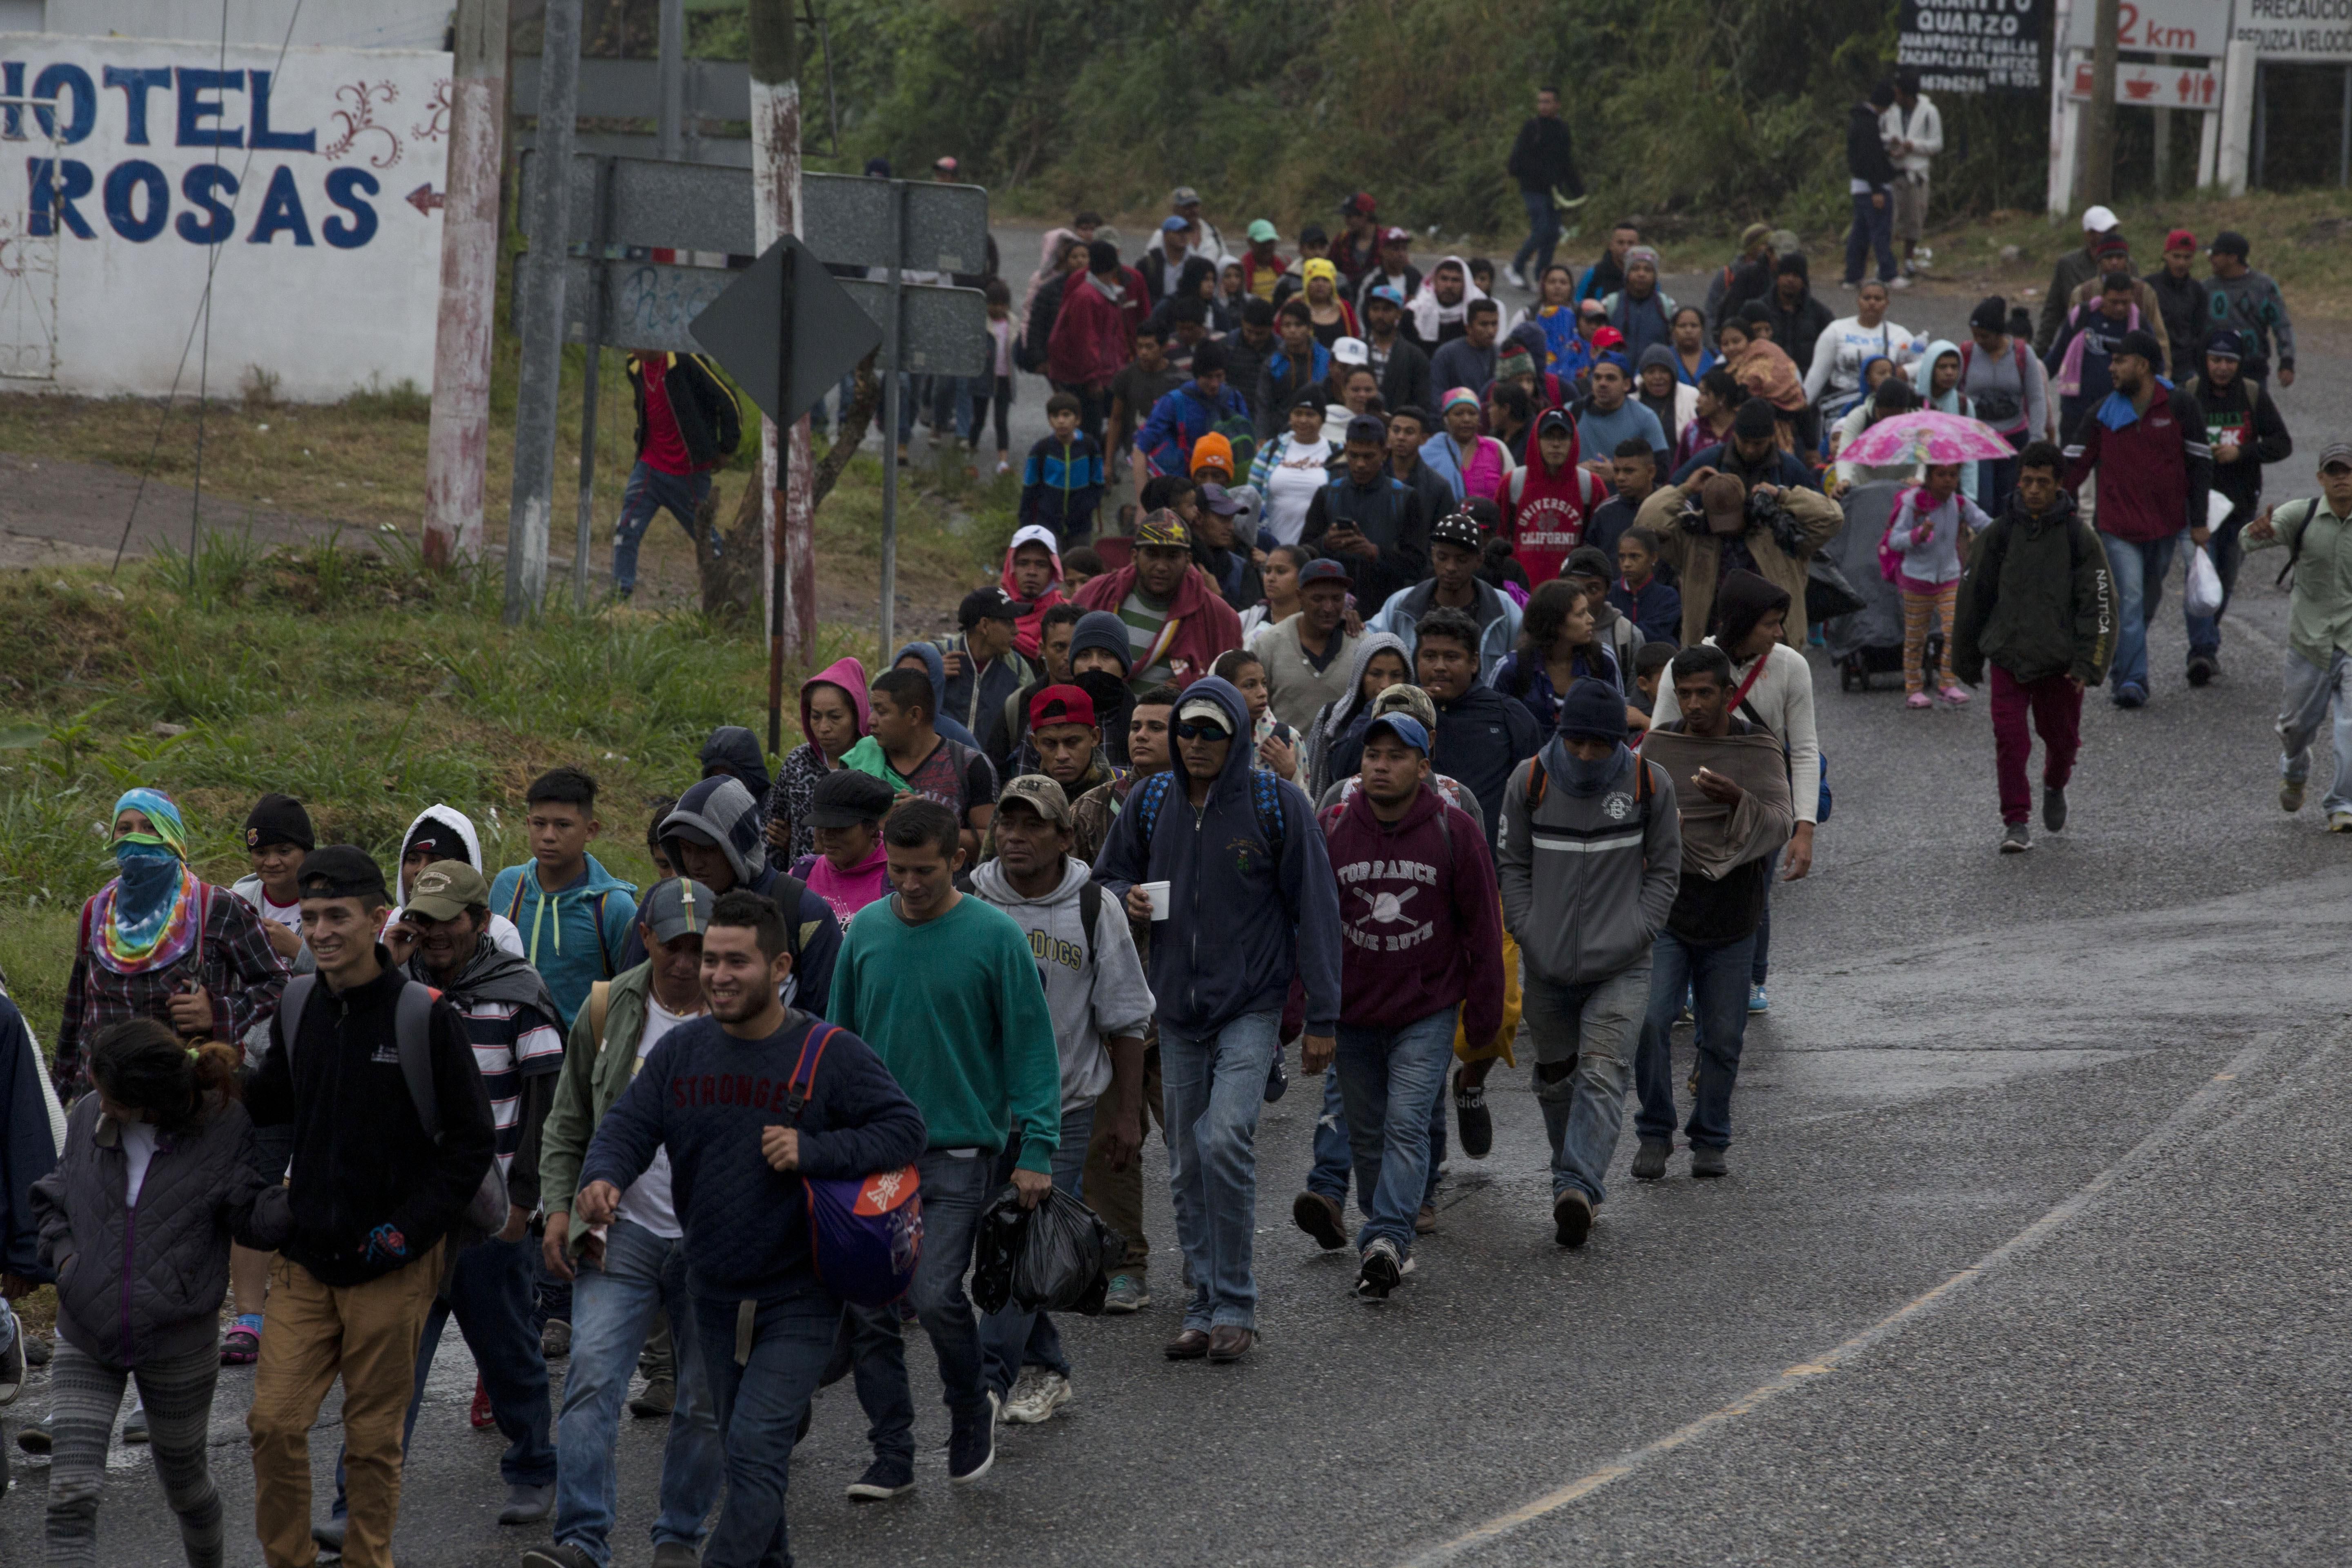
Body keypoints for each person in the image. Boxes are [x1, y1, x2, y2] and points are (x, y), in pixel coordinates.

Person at [570, 889, 924, 1561]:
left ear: (781, 966)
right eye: (710, 960)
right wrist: (603, 1177)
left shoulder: (830, 1052)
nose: (718, 976)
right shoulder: (682, 1053)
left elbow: (905, 1128)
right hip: (710, 1291)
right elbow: (629, 1124)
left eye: (738, 962)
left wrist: (814, 1151)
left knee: (756, 1450)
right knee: (745, 1463)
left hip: (799, 1296)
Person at [244, 845, 495, 1568]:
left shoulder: (425, 1016)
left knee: (373, 1443)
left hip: (392, 1263)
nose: (321, 931)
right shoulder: (299, 1004)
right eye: (311, 917)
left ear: (378, 919)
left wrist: (408, 1234)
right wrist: (216, 1068)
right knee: (272, 1423)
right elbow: (275, 1107)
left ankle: (367, 1560)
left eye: (337, 917)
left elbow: (470, 1144)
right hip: (306, 1259)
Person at [312, 862, 559, 1549]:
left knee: (510, 1359)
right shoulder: (390, 993)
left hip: (488, 1223)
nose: (436, 934)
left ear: (480, 922)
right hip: (407, 1221)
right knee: (388, 1374)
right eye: (423, 918)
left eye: (451, 919)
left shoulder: (520, 995)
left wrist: (525, 1203)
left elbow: (547, 1107)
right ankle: (353, 1503)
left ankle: (535, 1463)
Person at [1096, 680, 1341, 1363]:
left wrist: (1324, 1015)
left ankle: (1236, 1302)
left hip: (1251, 1005)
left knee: (1224, 1139)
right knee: (1185, 1162)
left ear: (1236, 737)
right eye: (1187, 731)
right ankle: (1203, 1302)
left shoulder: (1277, 802)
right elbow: (1106, 879)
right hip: (1174, 1010)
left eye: (1212, 733)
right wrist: (1128, 899)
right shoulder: (1148, 802)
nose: (1196, 744)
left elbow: (1316, 910)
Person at [828, 798, 1060, 1490]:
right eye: (897, 871)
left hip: (961, 1150)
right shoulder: (865, 933)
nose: (908, 885)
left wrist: (1038, 1149)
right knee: (869, 1308)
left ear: (957, 859)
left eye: (924, 871)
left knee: (933, 1296)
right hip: (874, 1152)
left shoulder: (995, 937)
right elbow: (838, 1042)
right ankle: (892, 1452)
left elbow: (1031, 1050)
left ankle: (969, 1406)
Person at [527, 878, 726, 1568]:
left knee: (703, 1401)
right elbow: (568, 1120)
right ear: (646, 937)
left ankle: (678, 1537)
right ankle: (582, 1540)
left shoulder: (747, 1012)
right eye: (675, 945)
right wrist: (559, 1206)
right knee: (589, 1383)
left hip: (713, 1242)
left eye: (703, 948)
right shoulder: (609, 1007)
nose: (689, 962)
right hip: (623, 1233)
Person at [35, 1019, 274, 1568]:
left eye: (117, 1101)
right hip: (85, 1330)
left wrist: (300, 1204)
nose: (104, 1106)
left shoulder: (224, 1124)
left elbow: (247, 1217)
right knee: (70, 1493)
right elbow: (53, 1197)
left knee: (187, 1488)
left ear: (153, 1103)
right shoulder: (89, 1113)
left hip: (177, 1341)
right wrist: (68, 1260)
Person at [969, 776, 1152, 1419]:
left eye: (1034, 826)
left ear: (1066, 837)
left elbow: (1128, 1018)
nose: (1016, 837)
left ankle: (987, 1387)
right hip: (982, 1113)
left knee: (1021, 1244)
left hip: (1068, 1108)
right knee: (995, 1251)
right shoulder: (969, 901)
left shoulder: (1093, 908)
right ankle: (1047, 1366)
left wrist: (1127, 1116)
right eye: (1007, 825)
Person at [1313, 713, 1503, 1295]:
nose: (1380, 765)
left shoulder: (1455, 830)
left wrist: (1485, 1015)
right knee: (1367, 1132)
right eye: (1373, 754)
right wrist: (1308, 1010)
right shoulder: (1332, 828)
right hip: (1354, 1014)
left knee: (1406, 1123)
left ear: (1424, 768)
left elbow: (1482, 928)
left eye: (1397, 756)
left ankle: (1388, 1236)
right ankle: (1383, 1221)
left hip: (1427, 1009)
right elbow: (1311, 925)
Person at [1494, 678, 1680, 1242]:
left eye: (1599, 745)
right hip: (1546, 965)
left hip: (1622, 964)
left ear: (1619, 741)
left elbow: (1668, 869)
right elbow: (1512, 865)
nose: (1586, 755)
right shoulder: (1529, 781)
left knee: (1602, 1073)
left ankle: (1577, 1187)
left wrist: (1640, 929)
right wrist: (1527, 929)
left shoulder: (1651, 783)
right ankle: (1571, 1177)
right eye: (1576, 742)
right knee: (1557, 1080)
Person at [1629, 646, 1794, 1181]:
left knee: (1722, 1036)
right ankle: (1655, 1130)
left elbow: (1777, 823)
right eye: (1686, 694)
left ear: (1729, 694)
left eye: (1707, 693)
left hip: (1734, 914)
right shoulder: (1660, 744)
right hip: (1671, 909)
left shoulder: (1759, 746)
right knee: (1652, 1022)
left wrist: (1737, 801)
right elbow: (1631, 814)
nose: (1695, 704)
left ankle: (1711, 1135)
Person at [1647, 570, 1821, 1011]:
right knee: (1684, 887)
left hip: (1761, 796)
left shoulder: (1791, 666)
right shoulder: (1685, 667)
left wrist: (1804, 829)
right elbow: (1660, 741)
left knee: (1753, 887)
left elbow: (1802, 750)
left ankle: (1749, 979)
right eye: (1771, 623)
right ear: (1742, 622)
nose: (1780, 632)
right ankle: (1685, 976)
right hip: (1692, 800)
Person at [52, 788, 288, 1105]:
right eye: (125, 829)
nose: (137, 838)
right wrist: (57, 1096)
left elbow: (277, 983)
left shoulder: (215, 908)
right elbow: (76, 1012)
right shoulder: (97, 913)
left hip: (185, 1100)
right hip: (101, 1099)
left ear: (173, 836)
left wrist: (219, 1013)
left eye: (150, 827)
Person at [1069, 683, 1178, 1313]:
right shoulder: (1090, 811)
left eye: (1158, 727)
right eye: (1135, 726)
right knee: (1111, 1138)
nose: (1141, 736)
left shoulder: (1215, 807)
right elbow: (1075, 892)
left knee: (1199, 1144)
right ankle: (1122, 1265)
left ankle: (1214, 1266)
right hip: (1109, 1004)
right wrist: (1121, 893)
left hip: (1189, 1006)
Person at [1951, 441, 2114, 853]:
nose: (2034, 490)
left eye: (2044, 483)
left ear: (2059, 485)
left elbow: (2099, 603)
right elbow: (1973, 596)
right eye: (2027, 482)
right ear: (2018, 482)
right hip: (2008, 656)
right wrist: (1966, 658)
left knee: (2062, 742)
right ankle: (2016, 821)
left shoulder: (2080, 538)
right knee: (2010, 738)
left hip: (2060, 665)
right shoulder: (1999, 534)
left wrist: (2088, 665)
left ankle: (2055, 784)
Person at [2062, 327, 2212, 709]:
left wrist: (2199, 520)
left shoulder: (2180, 406)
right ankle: (2133, 681)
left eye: (2119, 360)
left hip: (2167, 525)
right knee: (2128, 600)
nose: (2112, 368)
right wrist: (2048, 507)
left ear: (2142, 366)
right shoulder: (2102, 414)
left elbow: (2200, 465)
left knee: (2146, 603)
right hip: (2117, 528)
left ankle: (2122, 661)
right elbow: (2074, 464)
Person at [224, 793, 316, 1364]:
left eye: (284, 851)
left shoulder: (331, 894)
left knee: (315, 1184)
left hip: (318, 1062)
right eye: (262, 852)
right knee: (252, 1187)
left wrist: (297, 948)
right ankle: (249, 1318)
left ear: (306, 850)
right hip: (257, 1065)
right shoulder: (238, 899)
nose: (271, 864)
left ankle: (312, 1303)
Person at [1644, 425, 1843, 650]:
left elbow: (1832, 517)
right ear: (1705, 514)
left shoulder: (1777, 532)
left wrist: (1782, 495)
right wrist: (1684, 489)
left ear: (1745, 506)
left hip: (1778, 647)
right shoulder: (1692, 540)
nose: (1725, 529)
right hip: (1711, 649)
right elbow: (1647, 525)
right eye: (1718, 521)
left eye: (1731, 519)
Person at [2245, 443, 2352, 830]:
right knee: (2296, 729)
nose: (2342, 477)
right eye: (2333, 471)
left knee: (2349, 728)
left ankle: (2342, 804)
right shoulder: (2300, 515)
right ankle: (2294, 766)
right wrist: (2256, 532)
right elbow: (2248, 540)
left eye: (2348, 470)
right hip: (2308, 644)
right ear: (2321, 478)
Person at [488, 769, 639, 1031]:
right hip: (507, 1050)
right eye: (539, 824)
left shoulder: (614, 907)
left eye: (563, 825)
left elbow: (633, 996)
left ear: (590, 831)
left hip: (577, 1061)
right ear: (528, 824)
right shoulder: (508, 887)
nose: (548, 836)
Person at [2184, 330, 2293, 685]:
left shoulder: (2252, 395)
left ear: (2239, 364)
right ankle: (2202, 652)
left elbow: (2282, 444)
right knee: (2202, 575)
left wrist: (2242, 452)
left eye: (2230, 361)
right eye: (2216, 360)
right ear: (2206, 360)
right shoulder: (2188, 394)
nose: (2222, 368)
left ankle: (2207, 638)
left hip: (2241, 506)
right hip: (2199, 506)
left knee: (2226, 579)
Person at [611, 351, 741, 600]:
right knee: (627, 527)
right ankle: (620, 594)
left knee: (706, 540)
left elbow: (727, 400)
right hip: (650, 466)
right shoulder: (635, 365)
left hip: (688, 473)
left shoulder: (684, 362)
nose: (634, 347)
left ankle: (732, 592)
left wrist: (726, 448)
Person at [1073, 510, 1246, 690]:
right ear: (1134, 557)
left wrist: (1195, 689)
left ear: (1188, 560)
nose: (1161, 567)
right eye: (1152, 554)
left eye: (1172, 556)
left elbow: (1232, 687)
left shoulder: (1219, 616)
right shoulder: (1095, 594)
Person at [845, 669, 1000, 862]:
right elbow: (836, 836)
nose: (870, 720)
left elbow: (993, 843)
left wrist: (929, 822)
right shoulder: (861, 758)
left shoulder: (970, 765)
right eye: (872, 709)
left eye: (882, 711)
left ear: (914, 716)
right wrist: (881, 826)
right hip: (870, 887)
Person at [1368, 510, 1525, 683]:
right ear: (1433, 555)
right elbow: (1368, 644)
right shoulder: (1401, 604)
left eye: (1462, 560)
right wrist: (1346, 621)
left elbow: (1526, 663)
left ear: (1479, 560)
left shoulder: (1505, 610)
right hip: (1414, 708)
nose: (1450, 567)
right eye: (1443, 557)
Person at [1302, 414, 1432, 610]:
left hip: (1384, 608)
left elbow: (1418, 564)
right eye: (1354, 456)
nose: (1361, 464)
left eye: (1369, 456)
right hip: (1331, 610)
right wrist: (1325, 543)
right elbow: (1303, 553)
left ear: (1384, 453)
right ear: (1346, 450)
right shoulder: (1327, 494)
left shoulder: (1405, 498)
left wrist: (1374, 553)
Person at [1886, 464, 1989, 708]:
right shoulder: (1913, 504)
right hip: (1916, 579)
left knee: (1955, 630)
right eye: (1941, 475)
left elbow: (1985, 524)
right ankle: (1913, 688)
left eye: (1953, 475)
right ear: (1929, 477)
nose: (1948, 481)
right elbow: (1894, 540)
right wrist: (1919, 534)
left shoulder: (1960, 504)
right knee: (1915, 639)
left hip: (1949, 576)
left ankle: (1948, 684)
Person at [765, 658, 869, 869]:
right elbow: (772, 828)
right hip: (803, 887)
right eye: (816, 717)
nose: (824, 728)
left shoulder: (873, 764)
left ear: (857, 714)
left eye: (835, 717)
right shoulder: (798, 762)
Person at [1494, 579, 1622, 733]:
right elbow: (1491, 727)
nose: (1591, 620)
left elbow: (1618, 723)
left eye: (1588, 611)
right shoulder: (1511, 668)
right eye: (1581, 614)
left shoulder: (1602, 659)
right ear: (1555, 622)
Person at [1256, 557, 1364, 737]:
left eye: (1337, 599)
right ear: (1300, 597)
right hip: (1283, 762)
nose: (1328, 608)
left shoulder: (1362, 645)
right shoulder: (1269, 644)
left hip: (1342, 764)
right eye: (1318, 599)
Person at [1960, 295, 2049, 510]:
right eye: (1975, 336)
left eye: (1985, 336)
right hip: (1979, 440)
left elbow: (2037, 398)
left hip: (2014, 440)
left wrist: (2036, 439)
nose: (1979, 341)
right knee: (1983, 501)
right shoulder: (1967, 352)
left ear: (1999, 333)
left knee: (2009, 502)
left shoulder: (2022, 353)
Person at [1301, 631, 1413, 799]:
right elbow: (1320, 777)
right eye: (1376, 674)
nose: (1386, 685)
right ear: (1360, 676)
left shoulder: (1418, 719)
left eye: (1396, 675)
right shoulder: (1334, 717)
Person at [1047, 241, 1138, 447]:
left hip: (1103, 374)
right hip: (1087, 378)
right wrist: (1092, 379)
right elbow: (1087, 342)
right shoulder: (1088, 297)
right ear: (1112, 266)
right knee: (1090, 430)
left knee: (1120, 420)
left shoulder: (1102, 292)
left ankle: (1102, 464)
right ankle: (1093, 470)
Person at [939, 588, 1037, 764]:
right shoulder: (937, 656)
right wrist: (929, 677)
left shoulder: (1019, 669)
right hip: (936, 771)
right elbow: (888, 689)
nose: (1016, 631)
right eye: (1008, 622)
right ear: (984, 625)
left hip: (990, 773)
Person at [2047, 271, 2145, 442]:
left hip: (2118, 411)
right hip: (2077, 411)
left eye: (2125, 303)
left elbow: (2153, 365)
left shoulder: (2139, 325)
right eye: (2114, 302)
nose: (2120, 308)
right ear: (2103, 297)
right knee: (2072, 464)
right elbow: (2058, 354)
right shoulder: (2083, 316)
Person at [789, 772, 896, 925]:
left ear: (871, 827)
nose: (827, 835)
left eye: (839, 827)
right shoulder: (802, 874)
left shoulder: (898, 877)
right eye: (821, 825)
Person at [1139, 340, 1250, 485]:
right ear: (1197, 375)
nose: (1215, 384)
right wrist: (1142, 504)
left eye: (1219, 376)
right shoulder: (1174, 402)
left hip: (1227, 487)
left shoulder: (1234, 398)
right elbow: (1140, 450)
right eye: (1209, 377)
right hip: (1183, 490)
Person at [1805, 278, 1913, 424]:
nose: (1872, 303)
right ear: (1858, 300)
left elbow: (1925, 363)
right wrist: (1802, 405)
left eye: (1878, 299)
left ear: (1887, 303)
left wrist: (1905, 371)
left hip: (1882, 409)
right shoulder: (1836, 330)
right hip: (1840, 404)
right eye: (1867, 298)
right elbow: (1817, 374)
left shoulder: (1900, 335)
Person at [1505, 87, 1582, 290]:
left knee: (1553, 234)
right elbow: (1516, 161)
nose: (1543, 106)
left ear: (1557, 105)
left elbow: (1566, 162)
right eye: (1541, 102)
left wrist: (1578, 190)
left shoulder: (1562, 129)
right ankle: (1517, 267)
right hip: (1532, 189)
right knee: (1543, 229)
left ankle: (1542, 277)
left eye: (1548, 102)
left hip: (1553, 192)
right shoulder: (1532, 127)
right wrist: (1536, 173)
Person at [1252, 390, 1343, 546]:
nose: (1303, 420)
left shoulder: (1337, 453)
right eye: (1298, 413)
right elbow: (1252, 497)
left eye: (1310, 415)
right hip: (1269, 548)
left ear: (1323, 419)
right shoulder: (1271, 450)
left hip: (1316, 549)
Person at [2205, 230, 2295, 389]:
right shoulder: (2205, 288)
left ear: (2233, 258)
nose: (2210, 258)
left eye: (2216, 254)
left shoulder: (2264, 287)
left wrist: (2287, 362)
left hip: (2253, 372)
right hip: (2213, 375)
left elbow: (2282, 325)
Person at [1019, 392, 1107, 543]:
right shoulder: (1042, 450)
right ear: (1050, 421)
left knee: (1079, 564)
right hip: (1048, 523)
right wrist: (1025, 526)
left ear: (1078, 419)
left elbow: (1098, 481)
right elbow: (1030, 489)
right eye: (1055, 416)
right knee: (1053, 564)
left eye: (1066, 415)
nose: (1061, 421)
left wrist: (1088, 506)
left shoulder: (1089, 447)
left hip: (1081, 525)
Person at [1108, 323, 1186, 492]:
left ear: (1164, 347)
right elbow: (1116, 419)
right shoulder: (1125, 377)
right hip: (1135, 457)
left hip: (1168, 462)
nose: (1143, 352)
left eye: (1150, 347)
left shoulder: (1179, 381)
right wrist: (1108, 463)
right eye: (1140, 346)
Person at [2036, 205, 2120, 355]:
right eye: (2105, 232)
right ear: (2089, 235)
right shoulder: (2068, 265)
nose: (2110, 236)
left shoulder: (2125, 263)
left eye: (2113, 230)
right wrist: (2039, 352)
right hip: (2081, 343)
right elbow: (2054, 311)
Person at [1882, 67, 1940, 278]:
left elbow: (1936, 144)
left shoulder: (1929, 112)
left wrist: (1912, 145)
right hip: (1895, 171)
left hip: (1917, 174)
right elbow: (1882, 135)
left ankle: (1909, 260)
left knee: (1915, 220)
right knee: (1889, 220)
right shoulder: (1890, 111)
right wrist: (1892, 143)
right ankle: (1886, 262)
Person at [1844, 81, 1900, 291]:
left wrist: (1887, 156)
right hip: (1871, 187)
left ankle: (1853, 276)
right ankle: (1889, 274)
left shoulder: (1859, 120)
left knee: (1860, 233)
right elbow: (1869, 159)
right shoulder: (1869, 123)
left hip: (1860, 186)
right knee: (1880, 232)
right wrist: (1877, 189)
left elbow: (1867, 155)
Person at [1256, 302, 1333, 441]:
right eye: (1287, 325)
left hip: (1322, 433)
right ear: (1281, 329)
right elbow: (1264, 404)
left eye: (1298, 325)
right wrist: (1262, 437)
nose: (1292, 330)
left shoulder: (1326, 359)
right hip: (1280, 435)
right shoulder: (1273, 363)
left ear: (1309, 328)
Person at [1574, 357, 1668, 470]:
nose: (1602, 383)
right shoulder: (1573, 411)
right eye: (1597, 378)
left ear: (1627, 384)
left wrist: (1617, 474)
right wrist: (1577, 471)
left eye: (1611, 378)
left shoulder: (1646, 418)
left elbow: (1662, 470)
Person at [1422, 387, 1513, 503]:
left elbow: (1512, 492)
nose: (1466, 419)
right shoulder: (1429, 452)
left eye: (1472, 413)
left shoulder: (1496, 448)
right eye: (1459, 414)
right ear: (1446, 419)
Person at [1757, 254, 1833, 379]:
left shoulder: (1820, 313)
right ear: (1778, 277)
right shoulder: (1759, 309)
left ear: (1804, 280)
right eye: (1786, 274)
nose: (1790, 280)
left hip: (1808, 380)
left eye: (1796, 276)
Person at [1588, 438, 1664, 562]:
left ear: (1651, 472)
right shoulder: (1604, 513)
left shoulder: (1672, 508)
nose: (1620, 478)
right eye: (1616, 471)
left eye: (1629, 471)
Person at [1362, 285, 1434, 415]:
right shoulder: (1358, 348)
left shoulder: (1415, 356)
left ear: (1399, 314)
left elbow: (1422, 400)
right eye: (1375, 309)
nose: (1380, 315)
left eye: (1387, 310)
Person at [2147, 229, 2208, 382]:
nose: (2182, 263)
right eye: (2176, 256)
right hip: (2156, 365)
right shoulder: (2149, 287)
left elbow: (2200, 333)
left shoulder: (2198, 291)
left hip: (2186, 368)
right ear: (2166, 255)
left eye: (2187, 257)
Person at [1601, 248, 1676, 363]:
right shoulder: (1610, 303)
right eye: (1635, 269)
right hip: (1616, 374)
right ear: (1627, 273)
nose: (1641, 274)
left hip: (1654, 376)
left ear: (1655, 275)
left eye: (1648, 270)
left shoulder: (1668, 306)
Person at [1611, 526, 1682, 644]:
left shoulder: (1667, 597)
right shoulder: (1609, 593)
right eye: (1622, 557)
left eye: (1635, 556)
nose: (1627, 564)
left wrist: (1616, 631)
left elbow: (1657, 633)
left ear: (1653, 557)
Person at [1407, 257, 1486, 350]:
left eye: (1456, 280)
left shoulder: (1477, 314)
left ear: (1465, 284)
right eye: (1444, 279)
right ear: (1435, 281)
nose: (1449, 286)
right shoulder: (1415, 312)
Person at [1429, 299, 1502, 397]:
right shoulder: (1446, 355)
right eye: (1484, 325)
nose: (1491, 331)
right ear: (1468, 328)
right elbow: (1437, 397)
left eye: (1494, 324)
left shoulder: (1501, 355)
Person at [1577, 222, 1639, 305]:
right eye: (1621, 243)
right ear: (1611, 245)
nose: (1626, 248)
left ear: (1638, 246)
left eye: (1631, 243)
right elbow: (1577, 305)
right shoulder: (1595, 274)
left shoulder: (1647, 276)